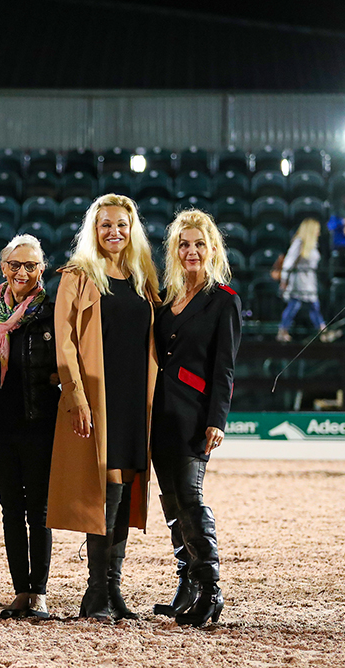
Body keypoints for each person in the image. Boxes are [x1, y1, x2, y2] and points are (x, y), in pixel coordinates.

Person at [46, 193, 159, 622]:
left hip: (135, 397)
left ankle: (113, 590)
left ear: (132, 231)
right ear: (94, 229)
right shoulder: (77, 275)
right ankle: (96, 591)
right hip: (97, 397)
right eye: (106, 224)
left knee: (126, 487)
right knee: (106, 490)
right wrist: (76, 395)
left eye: (122, 225)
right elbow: (65, 341)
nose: (114, 231)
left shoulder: (143, 277)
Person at [151, 209, 241, 627]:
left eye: (199, 244)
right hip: (159, 414)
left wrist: (216, 419)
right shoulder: (166, 299)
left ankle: (211, 590)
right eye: (184, 244)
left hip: (194, 416)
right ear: (175, 250)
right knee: (171, 503)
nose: (191, 251)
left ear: (211, 249)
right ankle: (186, 581)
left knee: (190, 498)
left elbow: (224, 366)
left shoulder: (224, 300)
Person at [0, 234, 59, 619]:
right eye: (15, 265)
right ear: (4, 268)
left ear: (41, 269)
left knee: (39, 510)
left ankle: (40, 592)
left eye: (30, 266)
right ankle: (20, 590)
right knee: (10, 507)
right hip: (1, 423)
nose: (22, 272)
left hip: (41, 421)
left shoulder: (53, 311)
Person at [276, 218, 340, 343]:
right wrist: (284, 279)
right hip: (299, 279)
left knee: (312, 306)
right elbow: (288, 262)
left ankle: (322, 331)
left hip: (309, 280)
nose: (319, 233)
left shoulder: (312, 244)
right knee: (296, 305)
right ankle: (283, 330)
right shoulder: (299, 243)